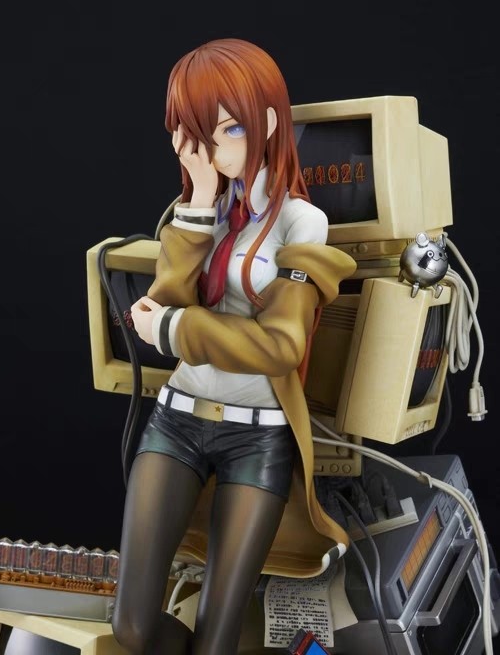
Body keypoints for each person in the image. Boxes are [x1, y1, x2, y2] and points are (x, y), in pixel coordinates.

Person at [111, 38, 356, 654]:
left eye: (229, 128)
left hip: (257, 436)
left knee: (216, 639)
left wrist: (175, 330)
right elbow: (167, 299)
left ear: (268, 121)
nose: (214, 147)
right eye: (199, 132)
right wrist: (196, 202)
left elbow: (280, 345)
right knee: (132, 626)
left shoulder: (301, 222)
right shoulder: (200, 211)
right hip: (177, 419)